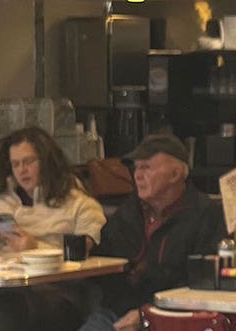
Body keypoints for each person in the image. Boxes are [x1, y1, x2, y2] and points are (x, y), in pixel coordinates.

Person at [80, 134, 223, 331]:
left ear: (175, 174)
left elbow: (201, 285)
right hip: (116, 313)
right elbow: (104, 261)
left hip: (170, 318)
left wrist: (146, 314)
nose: (137, 175)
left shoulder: (204, 214)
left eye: (146, 167)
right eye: (136, 168)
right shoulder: (129, 211)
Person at [0, 127, 107, 331]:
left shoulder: (79, 204)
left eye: (29, 162)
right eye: (15, 164)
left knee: (4, 314)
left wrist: (35, 248)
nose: (22, 170)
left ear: (47, 161)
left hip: (52, 292)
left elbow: (85, 255)